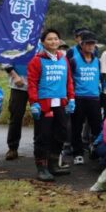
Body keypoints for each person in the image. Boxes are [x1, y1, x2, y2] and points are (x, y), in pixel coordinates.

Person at [27, 29, 75, 181]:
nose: (53, 42)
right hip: (44, 104)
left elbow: (68, 80)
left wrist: (71, 98)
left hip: (60, 102)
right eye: (49, 39)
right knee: (43, 136)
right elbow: (32, 83)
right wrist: (34, 103)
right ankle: (42, 168)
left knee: (61, 133)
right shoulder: (36, 60)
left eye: (56, 39)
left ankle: (54, 165)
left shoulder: (63, 58)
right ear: (42, 42)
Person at [68, 32, 102, 165]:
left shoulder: (97, 61)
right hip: (79, 98)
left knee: (97, 127)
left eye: (92, 43)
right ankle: (77, 153)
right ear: (81, 44)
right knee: (76, 126)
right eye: (87, 43)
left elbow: (100, 78)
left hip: (94, 98)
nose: (90, 46)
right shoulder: (74, 60)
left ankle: (96, 151)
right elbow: (69, 80)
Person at [2, 60, 29, 161]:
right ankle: (12, 148)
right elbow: (5, 62)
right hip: (18, 86)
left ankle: (42, 149)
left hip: (38, 86)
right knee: (16, 117)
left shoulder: (42, 45)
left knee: (41, 117)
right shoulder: (15, 44)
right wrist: (15, 76)